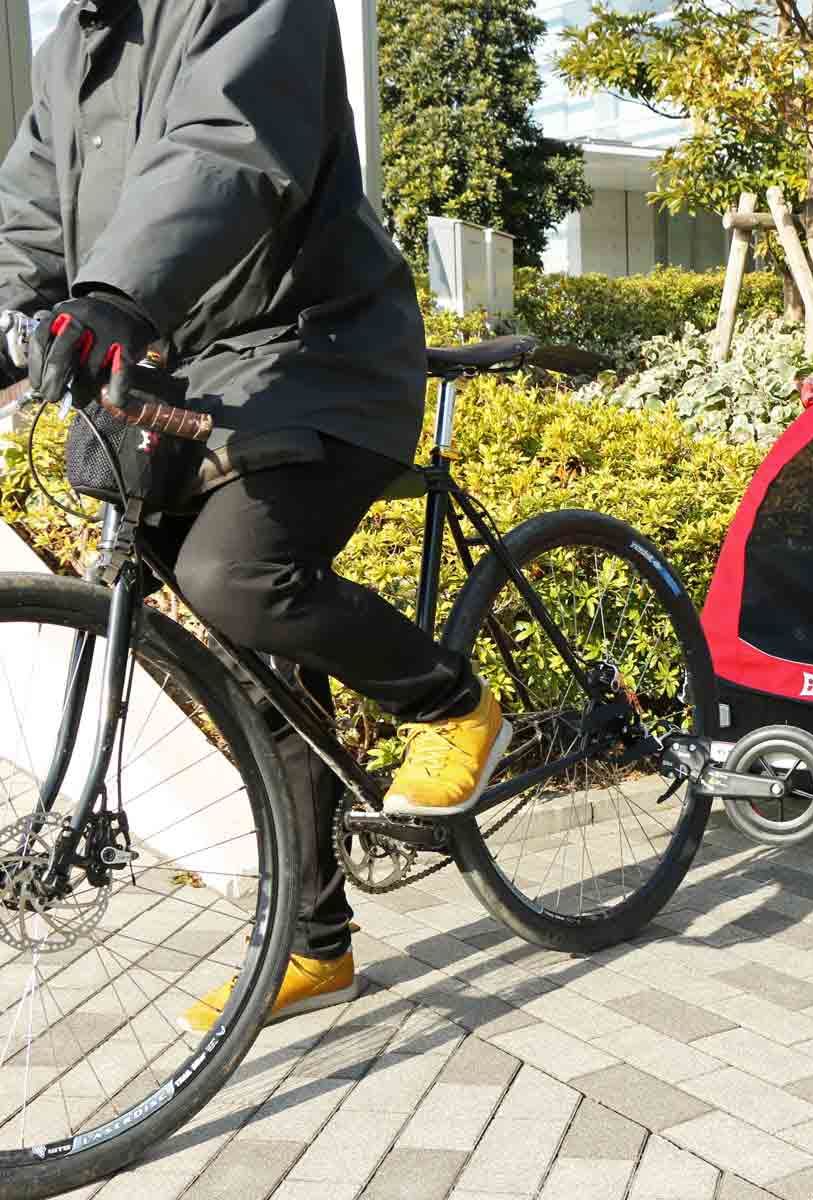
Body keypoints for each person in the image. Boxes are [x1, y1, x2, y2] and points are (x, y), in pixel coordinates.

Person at [0, 0, 510, 1030]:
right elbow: (29, 211)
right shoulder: (75, 47)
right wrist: (18, 312)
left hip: (320, 360)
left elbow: (227, 146)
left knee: (237, 577)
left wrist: (114, 293)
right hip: (181, 375)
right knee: (247, 654)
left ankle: (452, 701)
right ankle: (315, 944)